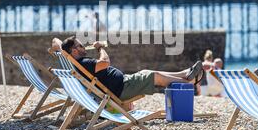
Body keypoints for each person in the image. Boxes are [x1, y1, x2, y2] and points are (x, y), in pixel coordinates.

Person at [51, 37, 207, 101]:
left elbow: (56, 41)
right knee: (152, 75)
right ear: (73, 51)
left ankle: (185, 74)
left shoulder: (75, 62)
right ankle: (190, 82)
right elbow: (105, 62)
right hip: (121, 90)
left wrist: (59, 47)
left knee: (147, 72)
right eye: (80, 45)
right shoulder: (84, 63)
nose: (83, 46)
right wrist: (100, 48)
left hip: (122, 83)